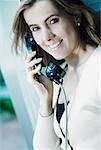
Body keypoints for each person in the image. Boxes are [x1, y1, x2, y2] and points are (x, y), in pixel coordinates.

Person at [12, 0, 101, 149]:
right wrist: (45, 101)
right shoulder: (60, 76)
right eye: (35, 29)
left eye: (53, 21)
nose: (46, 36)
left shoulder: (97, 68)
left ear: (75, 16)